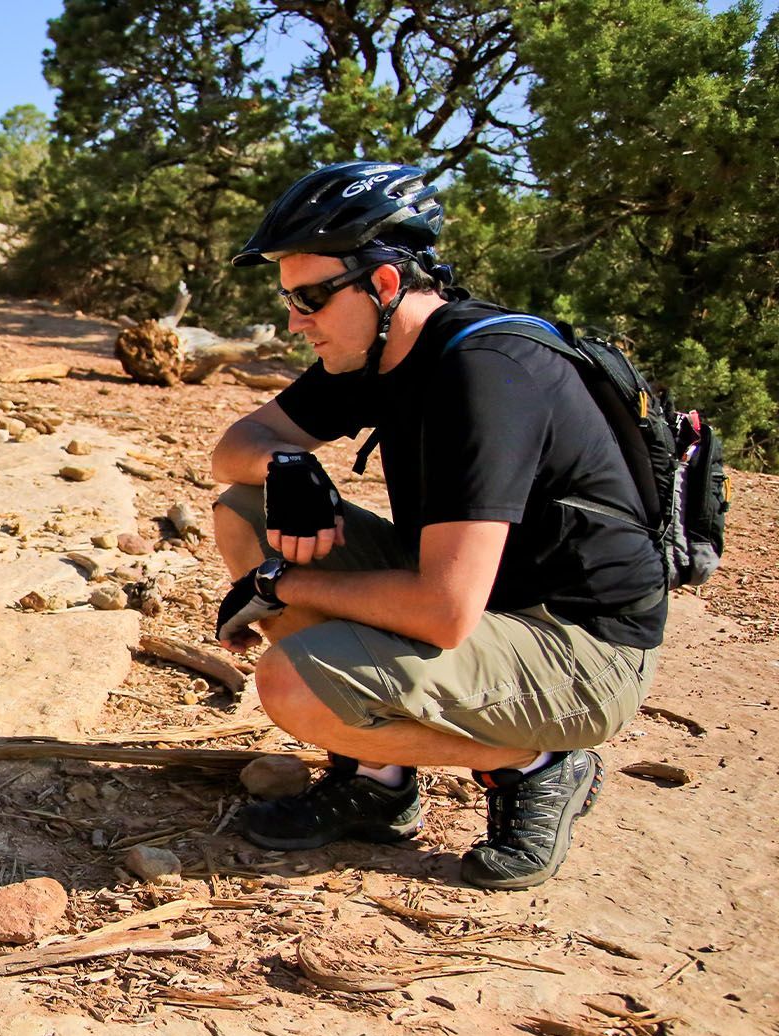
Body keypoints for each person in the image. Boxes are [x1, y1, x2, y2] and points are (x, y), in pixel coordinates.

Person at [210, 161, 664, 889]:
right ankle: (378, 780)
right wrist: (290, 469)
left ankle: (537, 761)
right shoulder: (378, 349)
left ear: (384, 284)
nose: (295, 320)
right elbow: (234, 451)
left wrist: (281, 583)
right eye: (290, 298)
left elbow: (443, 611)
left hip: (578, 645)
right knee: (244, 508)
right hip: (484, 608)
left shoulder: (484, 371)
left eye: (310, 298)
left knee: (292, 683)